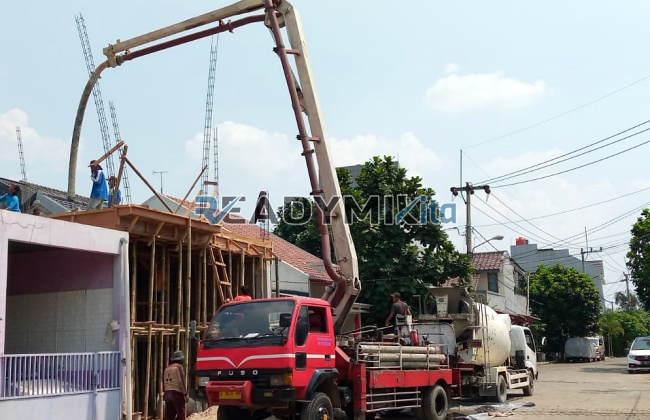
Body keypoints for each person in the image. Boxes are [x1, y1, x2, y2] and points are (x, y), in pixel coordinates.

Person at [163, 350, 188, 420]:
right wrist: (185, 393)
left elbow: (165, 382)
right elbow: (181, 381)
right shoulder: (179, 367)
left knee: (169, 416)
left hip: (167, 393)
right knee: (181, 414)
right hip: (176, 393)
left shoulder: (167, 368)